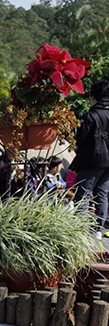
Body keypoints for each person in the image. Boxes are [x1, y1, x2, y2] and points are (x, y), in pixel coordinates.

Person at [70, 79, 109, 238]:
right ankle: (98, 230)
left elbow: (80, 138)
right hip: (108, 163)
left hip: (91, 160)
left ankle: (79, 230)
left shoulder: (90, 115)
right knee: (102, 193)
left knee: (83, 193)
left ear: (94, 97)